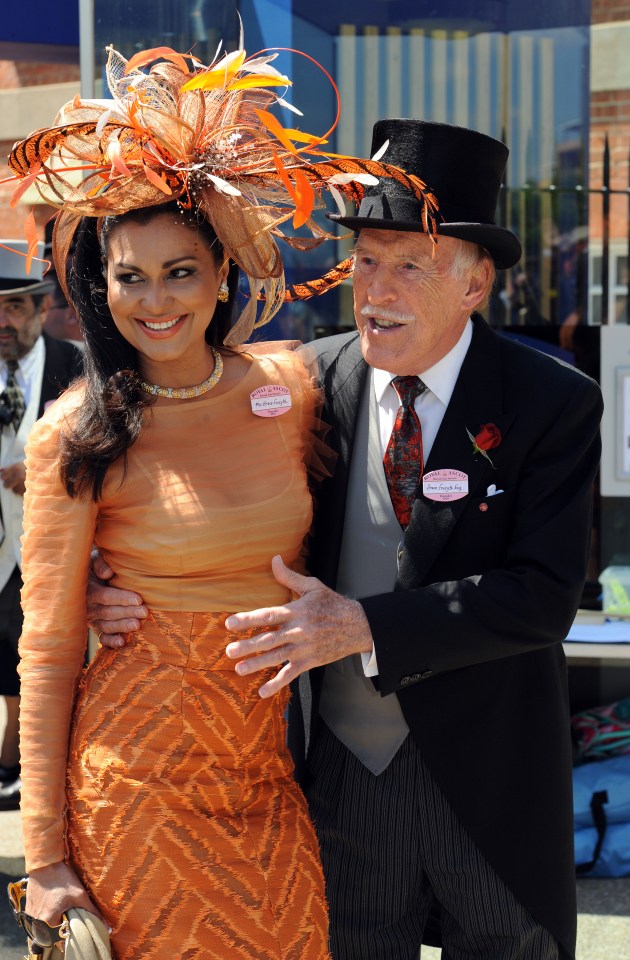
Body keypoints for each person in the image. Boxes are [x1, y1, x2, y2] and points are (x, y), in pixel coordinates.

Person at [92, 120, 603, 960]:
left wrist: (363, 626)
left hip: (491, 783)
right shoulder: (302, 383)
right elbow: (186, 486)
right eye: (366, 261)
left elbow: (543, 597)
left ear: (475, 286)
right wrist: (101, 576)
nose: (377, 290)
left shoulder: (551, 401)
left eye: (411, 264)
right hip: (344, 783)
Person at [9, 42, 417, 960]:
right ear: (96, 285)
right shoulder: (72, 434)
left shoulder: (292, 389)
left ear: (224, 271)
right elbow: (44, 656)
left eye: (180, 271)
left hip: (266, 772)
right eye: (129, 276)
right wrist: (42, 858)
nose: (155, 301)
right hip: (136, 782)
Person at [0, 242, 82, 812]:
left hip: (48, 552)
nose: (2, 323)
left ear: (40, 306)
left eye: (14, 309)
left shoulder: (77, 366)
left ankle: (30, 772)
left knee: (44, 669)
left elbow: (113, 453)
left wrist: (47, 472)